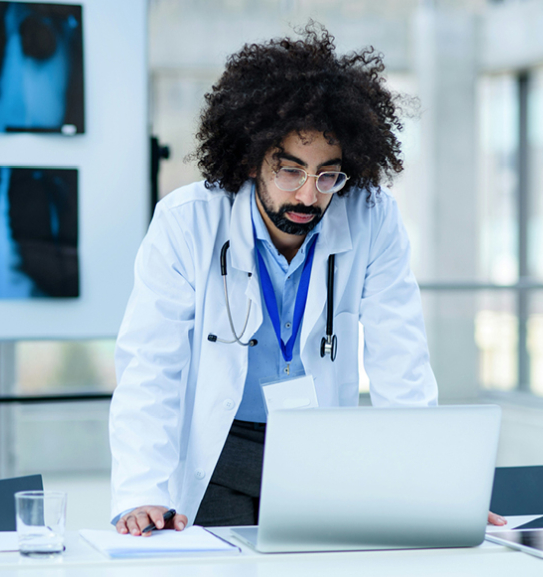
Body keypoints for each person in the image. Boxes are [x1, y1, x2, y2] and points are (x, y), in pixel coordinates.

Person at [109, 23, 505, 536]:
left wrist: (433, 487)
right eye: (290, 170)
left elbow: (401, 361)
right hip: (221, 449)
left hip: (319, 451)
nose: (308, 196)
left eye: (327, 175)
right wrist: (142, 489)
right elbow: (151, 364)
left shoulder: (372, 218)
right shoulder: (187, 222)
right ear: (250, 159)